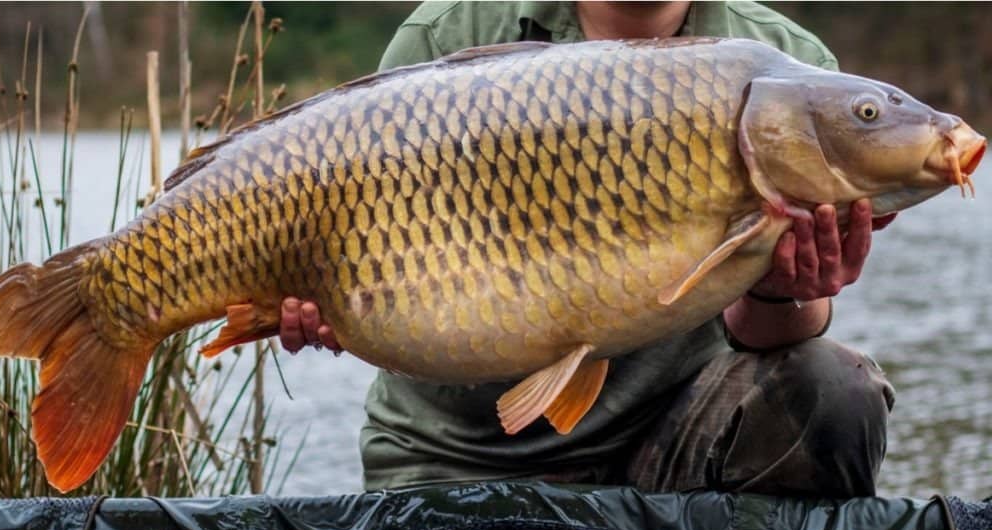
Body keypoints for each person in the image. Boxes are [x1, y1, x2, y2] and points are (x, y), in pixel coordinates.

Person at [279, 1, 897, 498]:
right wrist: (337, 306)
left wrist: (783, 287)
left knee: (834, 387)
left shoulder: (790, 66)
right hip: (456, 457)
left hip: (671, 440)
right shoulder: (447, 33)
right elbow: (369, 275)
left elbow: (772, 336)